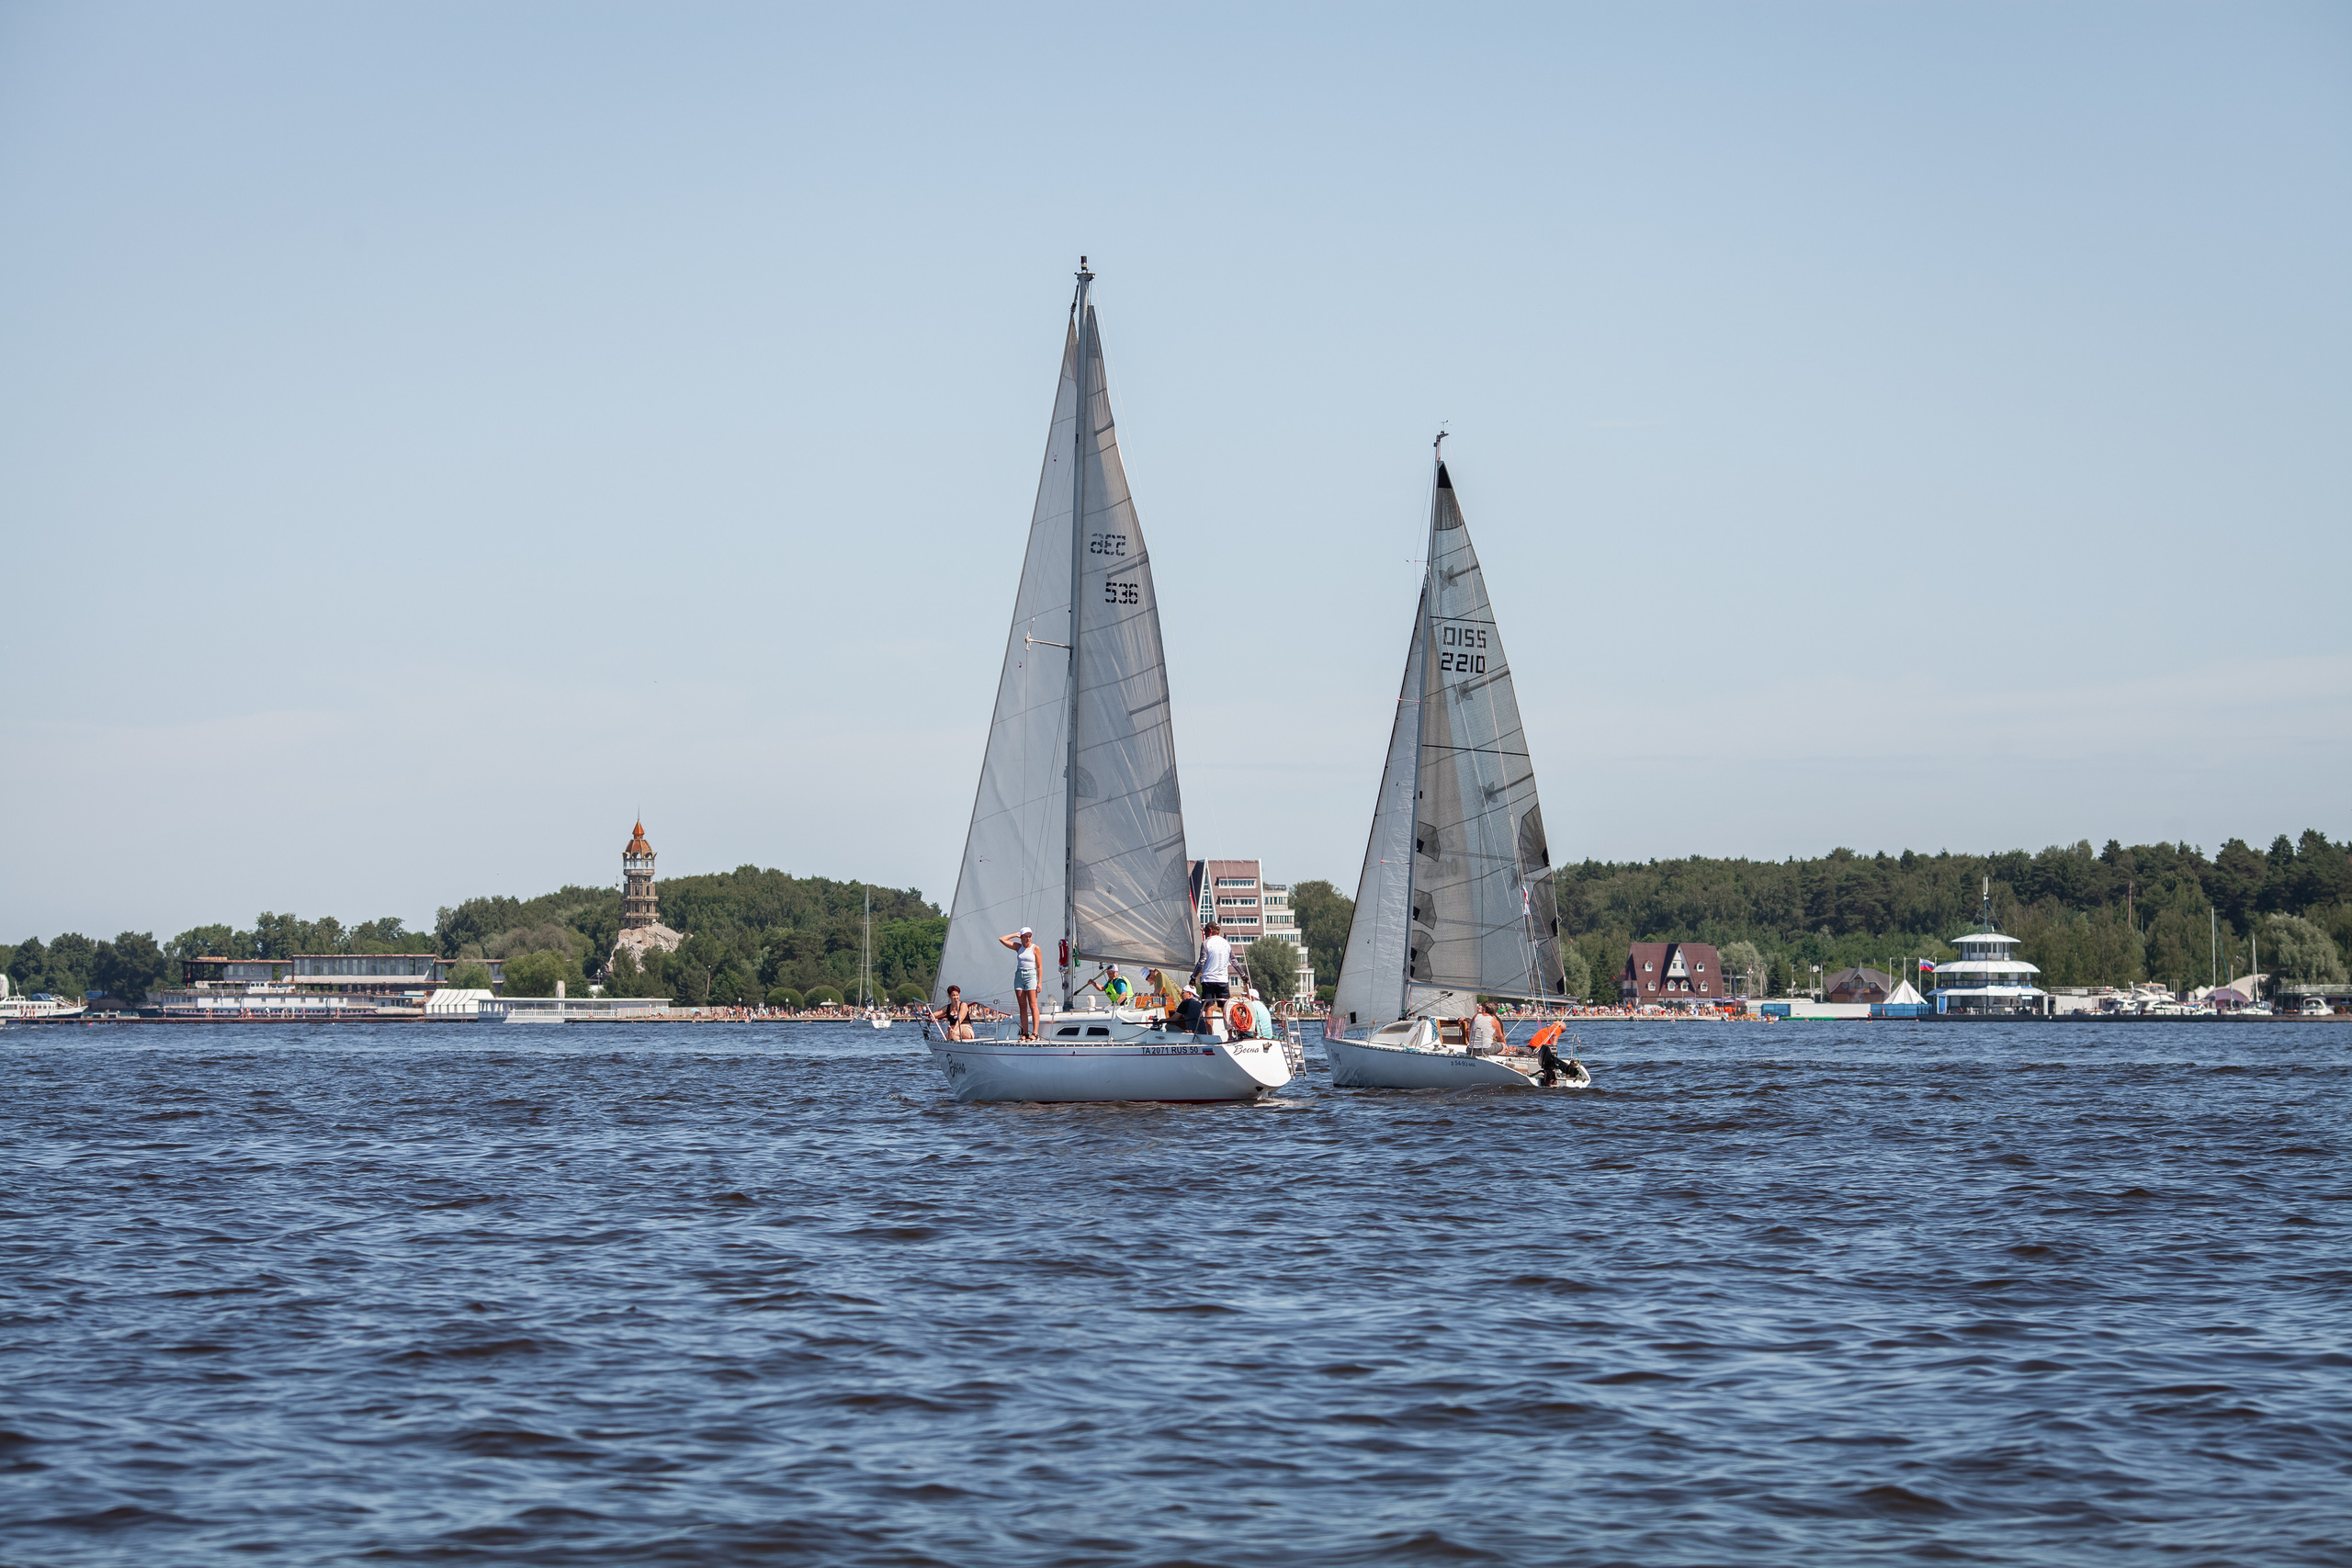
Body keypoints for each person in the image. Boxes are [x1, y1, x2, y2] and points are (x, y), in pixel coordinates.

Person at [1000, 927, 1042, 1040]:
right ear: (1022, 937)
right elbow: (1002, 939)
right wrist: (1015, 934)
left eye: (1029, 936)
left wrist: (1039, 982)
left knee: (1033, 1005)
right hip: (1019, 976)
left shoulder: (1035, 948)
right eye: (1026, 936)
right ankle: (1025, 1033)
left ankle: (1035, 1032)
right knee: (1023, 1007)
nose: (1028, 938)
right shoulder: (1018, 947)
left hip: (1031, 976)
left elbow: (1039, 966)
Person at [1193, 921, 1232, 1004]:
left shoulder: (1206, 943)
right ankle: (1226, 1017)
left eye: (1205, 932)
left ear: (1210, 931)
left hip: (1208, 980)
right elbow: (1234, 961)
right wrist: (1243, 975)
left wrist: (1193, 977)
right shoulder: (1226, 943)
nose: (1204, 934)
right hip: (1223, 980)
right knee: (1225, 1007)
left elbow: (1201, 962)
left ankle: (1208, 1018)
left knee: (1208, 1007)